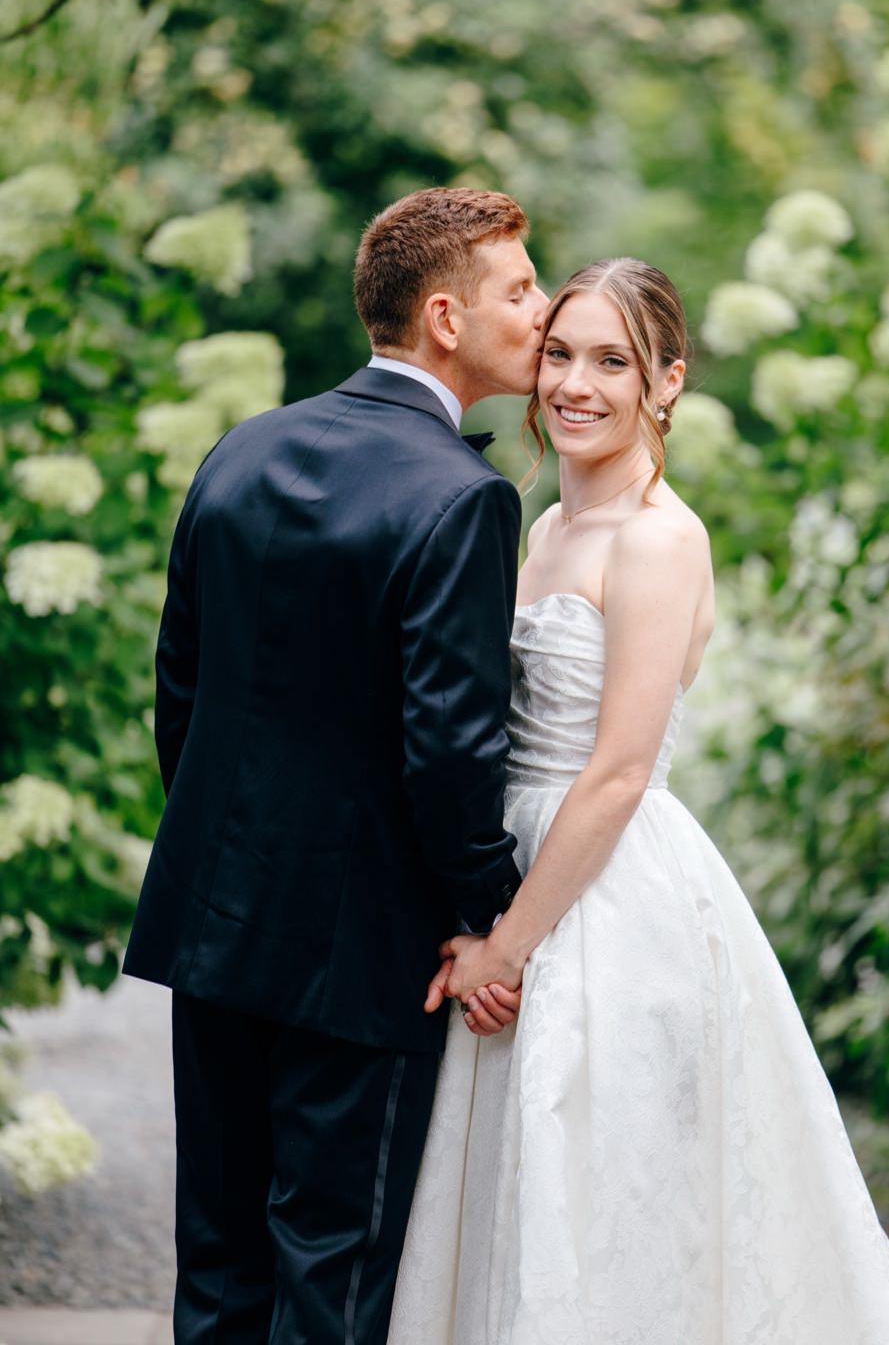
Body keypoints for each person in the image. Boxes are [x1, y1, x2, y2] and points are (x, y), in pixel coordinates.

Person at [385, 257, 889, 1344]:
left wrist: (506, 948)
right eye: (559, 354)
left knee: (609, 1179)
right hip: (510, 867)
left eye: (613, 361)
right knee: (516, 1174)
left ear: (667, 382)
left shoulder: (660, 538)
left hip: (603, 895)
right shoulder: (540, 524)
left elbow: (614, 771)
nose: (575, 384)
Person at [124, 186, 548, 1343]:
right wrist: (488, 920)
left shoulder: (243, 446)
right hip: (361, 957)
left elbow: (181, 688)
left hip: (214, 927)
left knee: (216, 1266)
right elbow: (451, 750)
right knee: (335, 1275)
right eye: (520, 288)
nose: (544, 309)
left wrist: (229, 863)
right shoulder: (464, 499)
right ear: (447, 318)